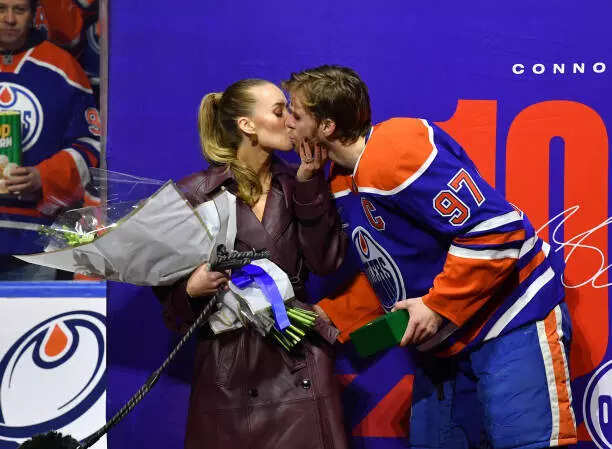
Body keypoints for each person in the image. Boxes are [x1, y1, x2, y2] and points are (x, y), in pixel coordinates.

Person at [283, 65, 576, 449]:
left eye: (295, 113)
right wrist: (331, 316)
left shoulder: (396, 149)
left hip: (510, 318)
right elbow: (391, 273)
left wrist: (437, 307)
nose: (287, 122)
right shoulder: (339, 179)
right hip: (447, 344)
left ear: (326, 126)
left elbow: (497, 229)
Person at [153, 78, 349, 449]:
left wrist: (310, 185)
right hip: (230, 370)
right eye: (279, 111)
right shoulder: (194, 194)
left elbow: (326, 262)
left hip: (298, 357)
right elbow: (172, 313)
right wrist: (191, 289)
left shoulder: (300, 181)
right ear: (247, 125)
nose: (291, 119)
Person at [0, 0, 100, 279]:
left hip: (35, 240)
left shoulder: (63, 68)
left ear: (34, 14)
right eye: (1, 9)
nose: (10, 19)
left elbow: (90, 145)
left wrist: (44, 177)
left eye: (19, 10)